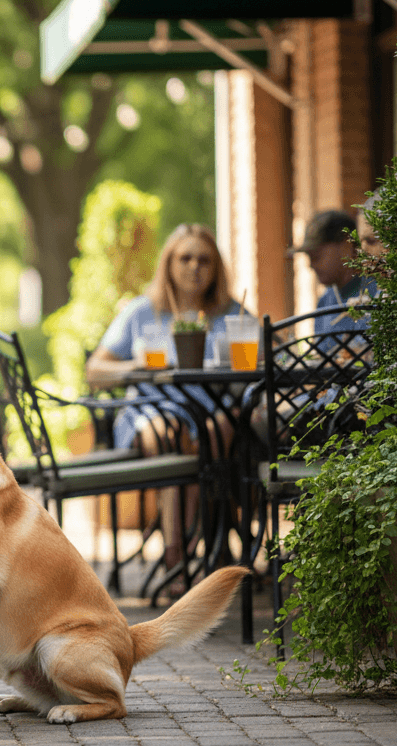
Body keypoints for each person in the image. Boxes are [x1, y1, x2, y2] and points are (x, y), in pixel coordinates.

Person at [85, 224, 250, 576]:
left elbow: (261, 360)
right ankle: (179, 551)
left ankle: (193, 543)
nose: (194, 267)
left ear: (216, 267)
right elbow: (94, 371)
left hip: (210, 413)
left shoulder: (232, 313)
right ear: (169, 264)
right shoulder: (143, 311)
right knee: (172, 432)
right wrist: (135, 365)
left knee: (222, 424)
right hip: (151, 411)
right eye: (185, 258)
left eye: (204, 260)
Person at [289, 209, 376, 334]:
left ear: (346, 245)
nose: (311, 265)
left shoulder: (377, 292)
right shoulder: (324, 302)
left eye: (316, 256)